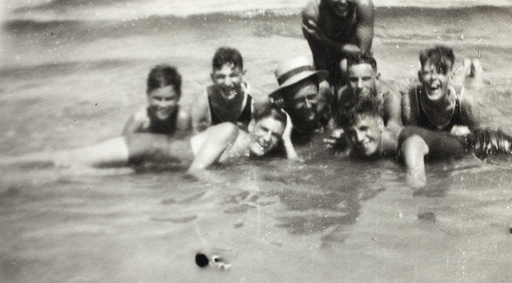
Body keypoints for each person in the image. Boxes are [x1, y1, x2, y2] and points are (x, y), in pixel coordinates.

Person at [7, 105, 297, 179]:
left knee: (64, 174)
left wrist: (287, 140)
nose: (267, 138)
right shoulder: (228, 132)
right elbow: (197, 171)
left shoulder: (257, 153)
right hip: (148, 147)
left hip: (152, 166)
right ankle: (8, 162)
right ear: (252, 124)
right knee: (69, 158)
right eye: (265, 130)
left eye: (274, 135)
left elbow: (295, 168)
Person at [339, 96, 512, 187]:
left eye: (364, 129)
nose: (359, 139)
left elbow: (418, 183)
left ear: (380, 124)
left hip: (493, 146)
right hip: (475, 143)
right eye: (351, 134)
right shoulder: (388, 137)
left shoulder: (410, 144)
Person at [301, 0, 375, 89]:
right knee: (323, 87)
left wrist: (325, 39)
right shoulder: (313, 13)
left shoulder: (363, 6)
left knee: (346, 67)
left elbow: (362, 57)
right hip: (326, 67)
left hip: (355, 69)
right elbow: (320, 61)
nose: (342, 1)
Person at [402, 46, 481, 135]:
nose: (433, 77)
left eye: (440, 72)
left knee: (474, 85)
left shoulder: (467, 102)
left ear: (451, 76)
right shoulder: (411, 100)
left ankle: (473, 68)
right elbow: (411, 137)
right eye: (427, 72)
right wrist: (450, 138)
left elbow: (479, 138)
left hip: (455, 89)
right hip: (446, 84)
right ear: (420, 76)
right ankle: (465, 66)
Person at [189, 47, 268, 133]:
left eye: (233, 75)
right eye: (221, 77)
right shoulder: (202, 104)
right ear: (213, 78)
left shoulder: (258, 101)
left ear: (243, 74)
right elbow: (193, 140)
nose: (227, 83)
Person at [331, 53, 402, 148]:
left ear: (377, 77)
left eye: (366, 79)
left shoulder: (390, 98)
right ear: (347, 80)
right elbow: (337, 125)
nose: (359, 86)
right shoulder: (343, 95)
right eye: (353, 79)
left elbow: (394, 134)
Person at [269, 56, 334, 143]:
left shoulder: (325, 96)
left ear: (318, 89)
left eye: (311, 97)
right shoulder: (278, 116)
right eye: (299, 100)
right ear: (286, 99)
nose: (308, 106)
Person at [122, 64, 191, 136]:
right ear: (148, 94)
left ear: (179, 96)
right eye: (157, 98)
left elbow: (185, 144)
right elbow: (122, 144)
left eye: (169, 99)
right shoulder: (139, 120)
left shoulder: (182, 119)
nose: (163, 105)